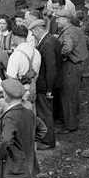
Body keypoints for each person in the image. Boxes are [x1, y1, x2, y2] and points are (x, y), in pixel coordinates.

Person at [0, 78, 47, 178]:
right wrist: (28, 142)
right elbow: (43, 130)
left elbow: (6, 141)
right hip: (28, 166)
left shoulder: (10, 116)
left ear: (6, 96)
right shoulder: (28, 112)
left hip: (11, 168)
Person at [28, 19, 61, 150]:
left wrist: (49, 89)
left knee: (45, 113)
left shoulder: (46, 44)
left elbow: (51, 68)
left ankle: (48, 141)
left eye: (33, 32)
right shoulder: (51, 40)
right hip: (49, 83)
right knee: (47, 112)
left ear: (38, 29)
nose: (33, 35)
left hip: (45, 85)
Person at [55, 8, 89, 133]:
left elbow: (67, 48)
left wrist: (58, 53)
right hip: (77, 65)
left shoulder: (68, 33)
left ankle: (70, 125)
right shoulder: (75, 29)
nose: (57, 21)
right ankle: (72, 120)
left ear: (65, 20)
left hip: (70, 66)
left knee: (68, 95)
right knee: (73, 94)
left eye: (58, 19)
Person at [6, 25, 42, 107]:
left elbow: (11, 78)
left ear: (14, 36)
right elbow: (37, 74)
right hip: (32, 90)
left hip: (19, 93)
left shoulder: (16, 54)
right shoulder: (36, 52)